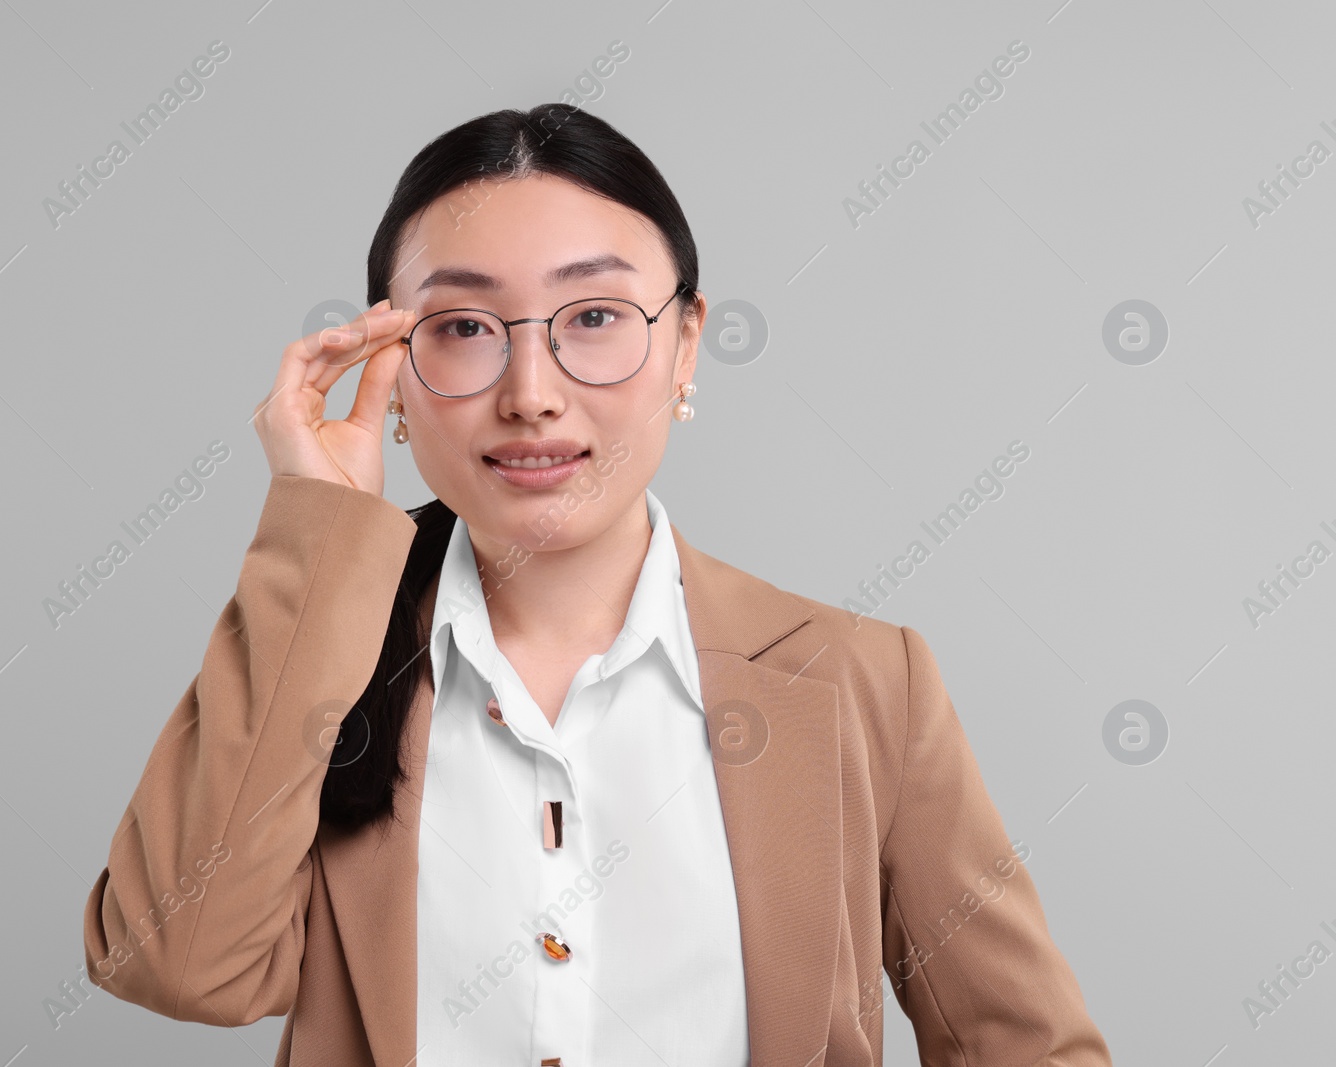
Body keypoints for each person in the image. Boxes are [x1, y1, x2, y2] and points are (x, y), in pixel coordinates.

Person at [82, 102, 1113, 1066]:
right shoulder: (325, 652)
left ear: (685, 346)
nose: (530, 396)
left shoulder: (859, 679)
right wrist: (320, 541)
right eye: (464, 327)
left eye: (593, 317)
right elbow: (176, 964)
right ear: (388, 371)